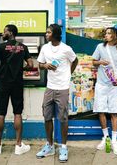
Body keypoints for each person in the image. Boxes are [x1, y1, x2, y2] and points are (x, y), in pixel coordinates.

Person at [36, 24, 78, 162]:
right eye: (46, 31)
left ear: (55, 34)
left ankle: (64, 147)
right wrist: (45, 65)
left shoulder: (66, 49)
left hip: (63, 88)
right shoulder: (45, 48)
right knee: (47, 116)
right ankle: (49, 145)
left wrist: (68, 75)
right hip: (50, 87)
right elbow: (39, 64)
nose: (46, 34)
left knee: (63, 118)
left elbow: (75, 60)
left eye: (48, 32)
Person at [0, 24, 33, 155]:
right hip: (17, 83)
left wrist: (1, 66)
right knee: (17, 113)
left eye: (4, 31)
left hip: (3, 83)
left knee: (1, 113)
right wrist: (21, 69)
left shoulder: (1, 46)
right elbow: (30, 64)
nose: (3, 33)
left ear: (10, 32)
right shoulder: (23, 47)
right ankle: (18, 145)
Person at [92, 27, 117, 155]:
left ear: (114, 36)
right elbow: (93, 62)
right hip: (101, 84)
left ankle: (114, 141)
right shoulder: (100, 47)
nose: (106, 35)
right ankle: (105, 137)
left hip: (114, 85)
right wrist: (99, 62)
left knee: (114, 112)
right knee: (101, 111)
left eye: (109, 33)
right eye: (105, 33)